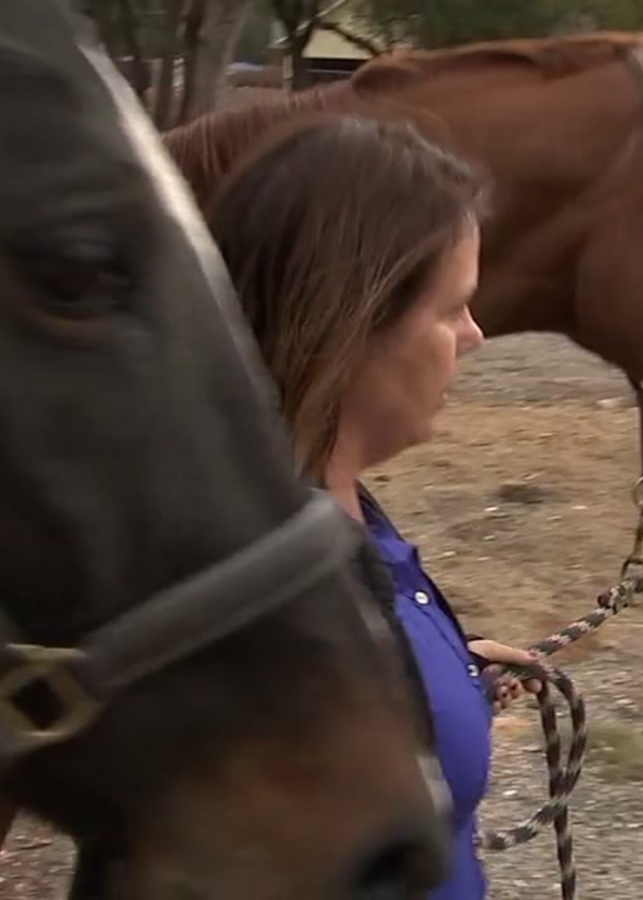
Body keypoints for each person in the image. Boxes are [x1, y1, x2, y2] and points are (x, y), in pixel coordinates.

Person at [204, 114, 540, 900]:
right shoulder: (265, 606)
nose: (476, 335)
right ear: (353, 320)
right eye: (453, 308)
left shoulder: (331, 516)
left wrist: (448, 674)